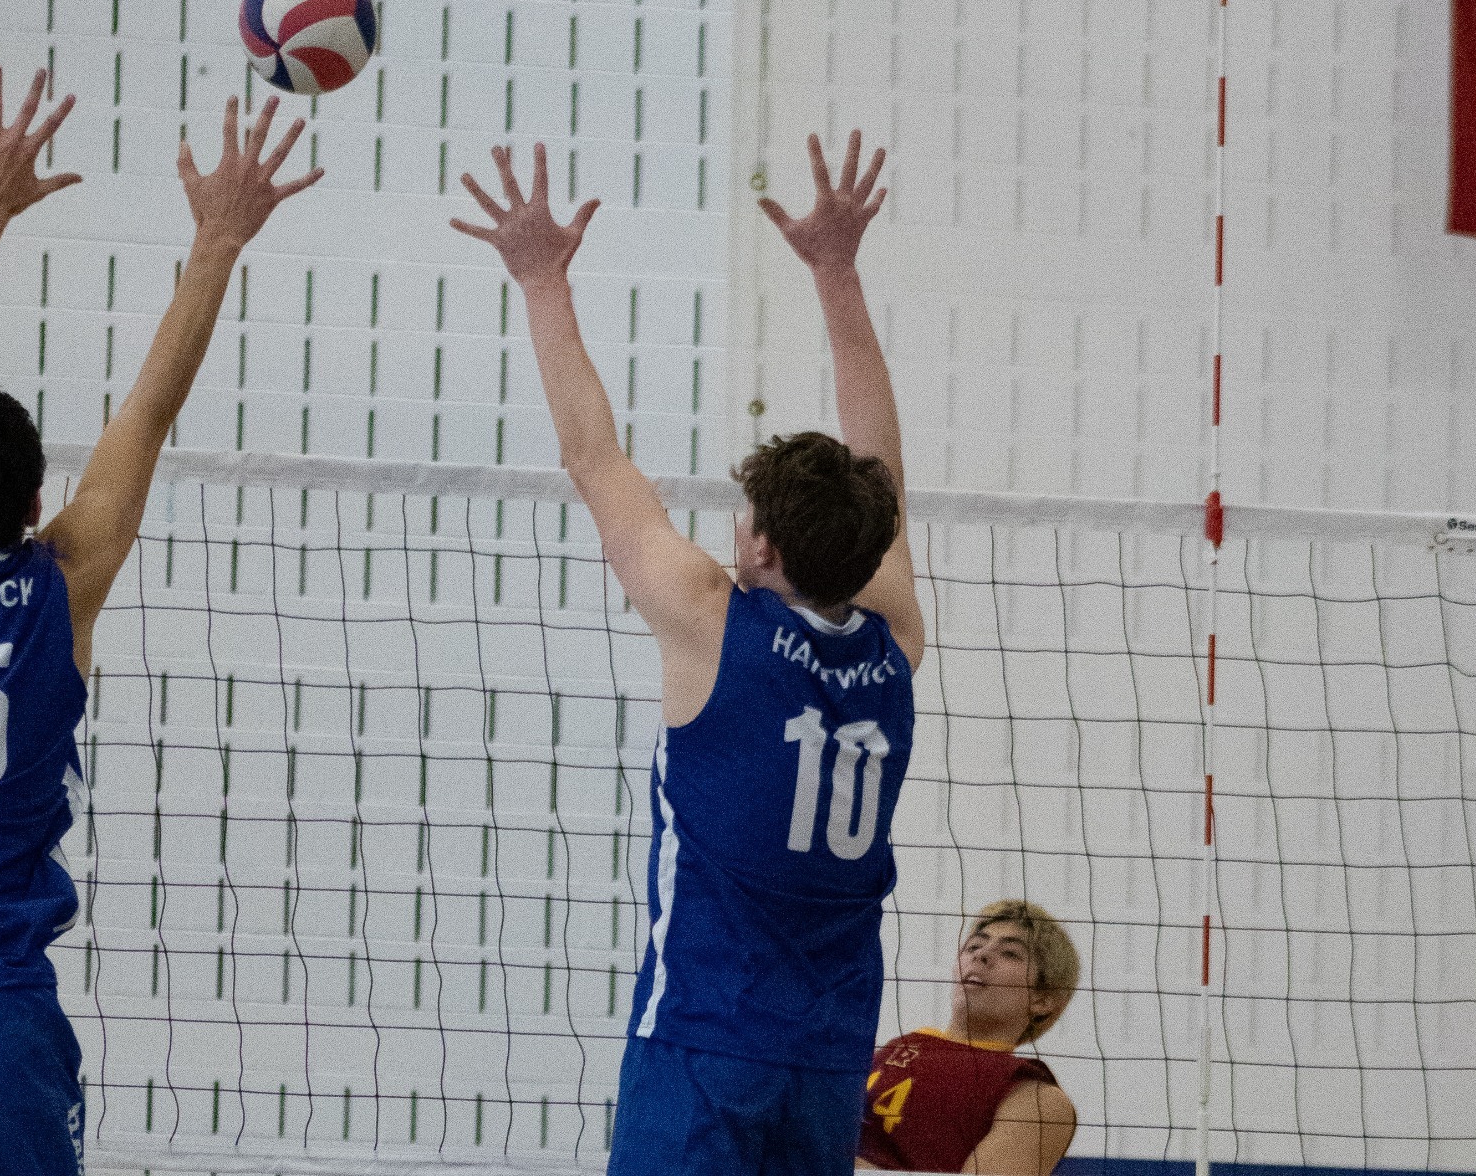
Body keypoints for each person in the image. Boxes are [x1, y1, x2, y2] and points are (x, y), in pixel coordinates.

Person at [0, 66, 322, 1176]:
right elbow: (150, 405)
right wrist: (218, 240)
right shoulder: (61, 585)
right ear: (38, 505)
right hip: (1, 1021)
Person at [451, 131, 923, 1176]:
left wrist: (538, 278)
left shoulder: (711, 620)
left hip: (706, 1035)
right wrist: (838, 279)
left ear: (757, 543)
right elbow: (881, 470)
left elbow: (591, 455)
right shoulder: (894, 643)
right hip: (826, 1060)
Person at [859, 900, 1081, 1175]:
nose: (982, 955)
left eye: (1011, 953)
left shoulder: (1036, 1099)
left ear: (1043, 999)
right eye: (974, 946)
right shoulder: (895, 1049)